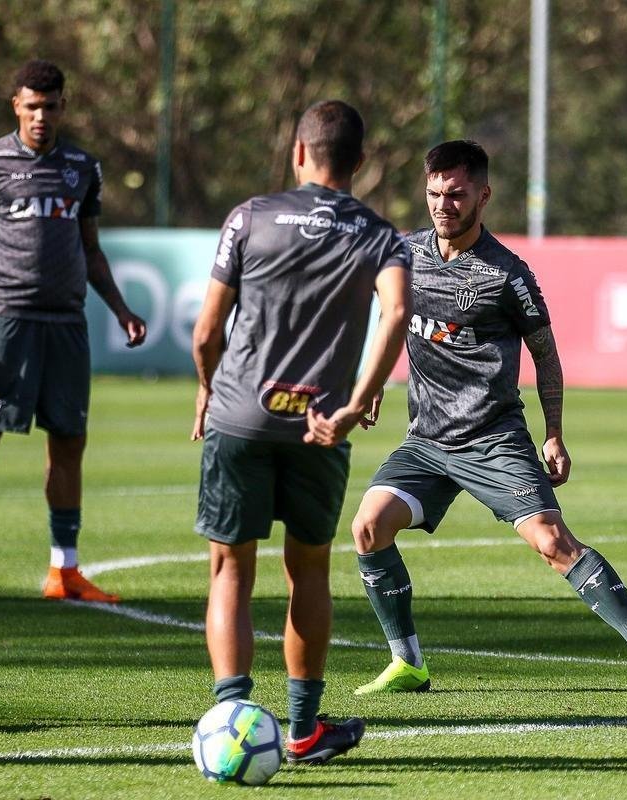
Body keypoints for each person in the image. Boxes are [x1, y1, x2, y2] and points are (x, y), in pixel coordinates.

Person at [341, 140, 627, 702]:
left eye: (455, 195)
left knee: (552, 542)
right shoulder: (405, 255)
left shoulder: (508, 275)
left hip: (493, 438)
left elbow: (546, 356)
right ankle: (408, 662)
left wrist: (553, 431)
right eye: (433, 194)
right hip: (427, 441)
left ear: (484, 194)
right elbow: (388, 315)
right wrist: (377, 381)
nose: (443, 205)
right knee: (367, 527)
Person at [191, 99, 412, 765]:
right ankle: (303, 730)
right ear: (360, 163)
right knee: (308, 568)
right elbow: (397, 311)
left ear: (297, 152)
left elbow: (206, 332)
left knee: (231, 566)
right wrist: (359, 401)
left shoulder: (248, 218)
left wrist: (207, 389)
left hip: (239, 416)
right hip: (318, 426)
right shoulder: (380, 236)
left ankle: (231, 721)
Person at [0, 59, 146, 604]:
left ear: (63, 106)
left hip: (67, 323)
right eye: (31, 105)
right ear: (16, 104)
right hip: (6, 320)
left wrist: (122, 309)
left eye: (50, 105)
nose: (40, 115)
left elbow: (91, 249)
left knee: (68, 442)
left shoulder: (83, 168)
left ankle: (64, 570)